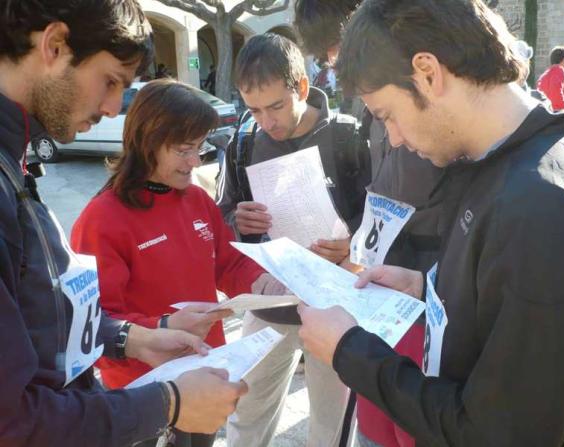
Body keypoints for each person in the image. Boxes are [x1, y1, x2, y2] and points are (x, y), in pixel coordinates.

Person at [298, 0, 564, 446]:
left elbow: (498, 434)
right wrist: (429, 286)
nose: (393, 138)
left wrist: (350, 352)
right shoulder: (491, 166)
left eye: (387, 115)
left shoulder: (538, 209)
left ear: (428, 73)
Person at [0, 2, 248, 446]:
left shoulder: (14, 163)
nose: (115, 108)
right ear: (54, 45)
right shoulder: (95, 210)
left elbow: (50, 321)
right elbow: (11, 420)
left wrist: (134, 338)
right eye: (111, 81)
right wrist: (167, 404)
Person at [71, 79, 284, 446]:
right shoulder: (102, 220)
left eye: (200, 149)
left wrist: (263, 283)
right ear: (147, 142)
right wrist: (163, 325)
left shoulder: (198, 200)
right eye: (184, 150)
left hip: (204, 372)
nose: (195, 162)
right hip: (144, 393)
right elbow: (96, 323)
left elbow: (229, 264)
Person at [294, 1, 443, 446]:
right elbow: (381, 197)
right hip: (380, 297)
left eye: (338, 51)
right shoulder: (371, 109)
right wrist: (356, 243)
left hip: (424, 307)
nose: (337, 67)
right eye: (329, 58)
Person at [216, 33, 370, 447]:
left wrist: (353, 243)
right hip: (271, 299)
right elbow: (224, 213)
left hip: (335, 300)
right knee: (245, 408)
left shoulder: (348, 137)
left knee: (331, 421)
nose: (267, 121)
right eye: (254, 109)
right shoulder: (243, 142)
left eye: (276, 106)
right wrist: (236, 219)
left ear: (301, 87)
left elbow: (380, 219)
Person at [537, 46, 564, 111]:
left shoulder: (545, 74)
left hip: (544, 110)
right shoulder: (559, 69)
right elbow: (556, 89)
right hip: (555, 110)